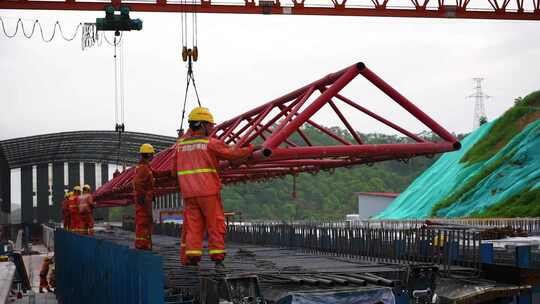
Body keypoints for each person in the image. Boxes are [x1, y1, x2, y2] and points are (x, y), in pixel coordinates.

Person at [173, 107, 254, 269]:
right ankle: (217, 258)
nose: (211, 129)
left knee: (193, 226)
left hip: (189, 193)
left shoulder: (179, 146)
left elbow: (173, 171)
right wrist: (250, 149)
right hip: (208, 191)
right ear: (202, 125)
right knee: (215, 223)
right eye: (210, 125)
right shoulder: (209, 143)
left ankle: (193, 257)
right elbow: (233, 154)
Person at [132, 143, 169, 250]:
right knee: (143, 223)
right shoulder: (143, 168)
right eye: (152, 154)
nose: (153, 157)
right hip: (143, 201)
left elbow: (155, 173)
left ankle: (145, 244)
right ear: (149, 155)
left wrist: (169, 173)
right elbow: (138, 184)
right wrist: (143, 198)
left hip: (144, 201)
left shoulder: (145, 167)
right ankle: (141, 246)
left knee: (146, 223)